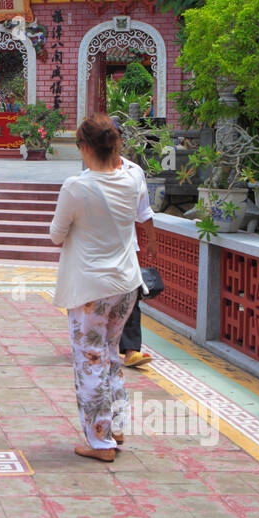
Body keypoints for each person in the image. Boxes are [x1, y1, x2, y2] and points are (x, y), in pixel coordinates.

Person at [49, 114, 146, 462]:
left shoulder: (77, 186)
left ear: (85, 147)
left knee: (90, 361)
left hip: (91, 288)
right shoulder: (134, 177)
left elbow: (56, 235)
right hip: (126, 283)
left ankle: (101, 441)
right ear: (117, 144)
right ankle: (116, 425)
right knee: (109, 354)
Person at [111, 117, 157, 368]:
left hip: (128, 247)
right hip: (98, 249)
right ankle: (98, 345)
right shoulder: (88, 175)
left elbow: (145, 211)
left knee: (131, 296)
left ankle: (131, 350)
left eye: (115, 136)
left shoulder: (134, 171)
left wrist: (152, 242)